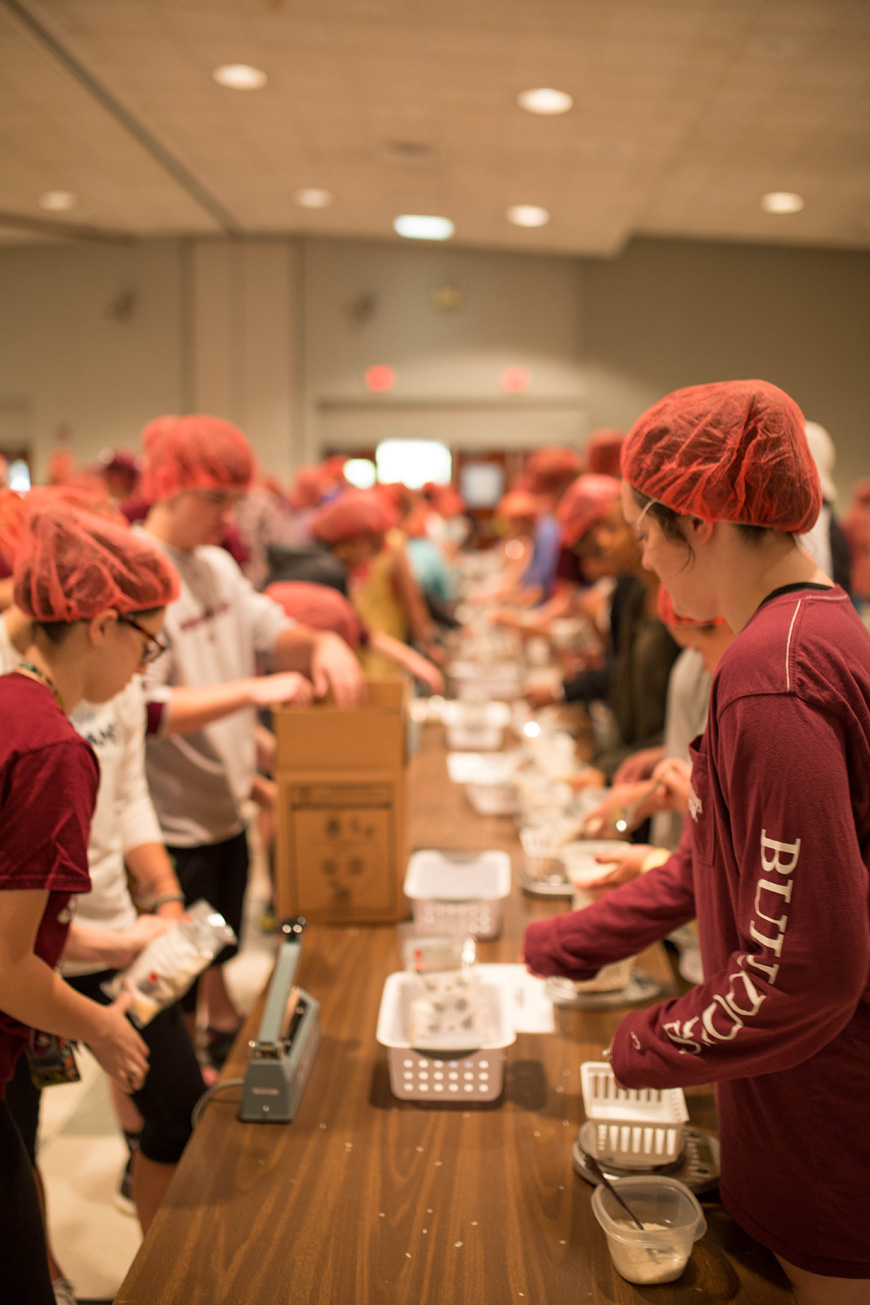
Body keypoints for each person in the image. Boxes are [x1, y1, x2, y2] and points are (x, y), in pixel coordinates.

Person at [524, 379, 870, 1303]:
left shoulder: (772, 677)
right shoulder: (808, 631)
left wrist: (649, 1040)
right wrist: (572, 942)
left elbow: (806, 970)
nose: (644, 554)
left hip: (826, 1111)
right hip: (787, 1092)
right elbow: (720, 858)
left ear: (704, 517)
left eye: (646, 530)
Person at [138, 414, 364, 1060]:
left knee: (218, 948)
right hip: (171, 823)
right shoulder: (143, 572)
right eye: (217, 499)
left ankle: (202, 1058)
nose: (229, 516)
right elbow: (143, 708)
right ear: (168, 487)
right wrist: (252, 693)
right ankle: (168, 1124)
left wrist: (322, 641)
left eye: (235, 500)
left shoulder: (213, 565)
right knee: (167, 987)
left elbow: (271, 629)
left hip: (224, 809)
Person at [0, 502, 179, 1305]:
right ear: (103, 624)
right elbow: (6, 966)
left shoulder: (12, 702)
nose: (147, 666)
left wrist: (109, 944)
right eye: (149, 642)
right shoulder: (51, 748)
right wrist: (103, 1026)